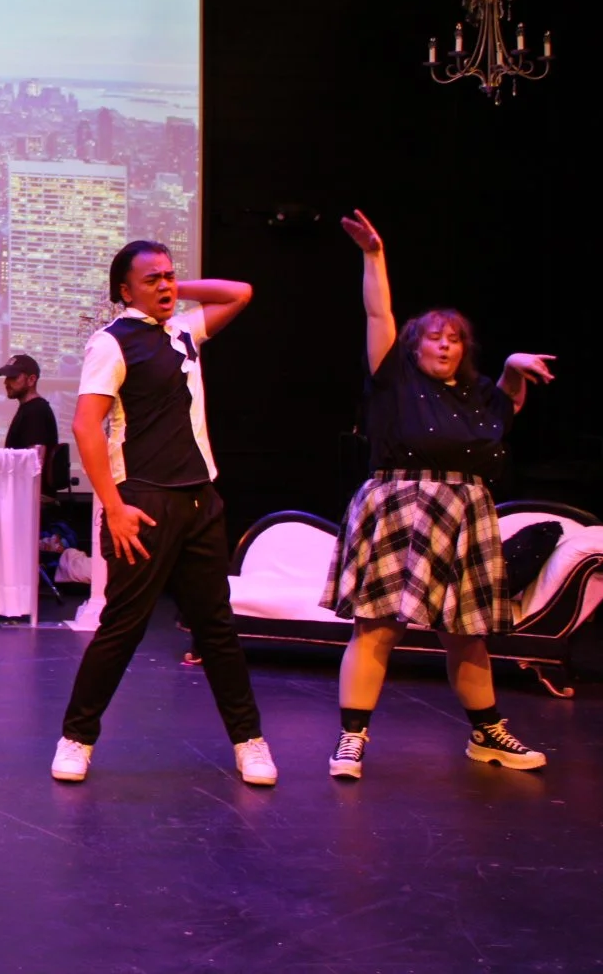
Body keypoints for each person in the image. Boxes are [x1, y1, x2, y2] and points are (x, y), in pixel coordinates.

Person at [321, 210, 555, 779]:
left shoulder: (480, 398)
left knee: (467, 635)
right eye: (434, 336)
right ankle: (352, 739)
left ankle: (488, 735)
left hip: (465, 513)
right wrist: (374, 256)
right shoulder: (393, 382)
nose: (445, 345)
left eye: (455, 339)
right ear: (414, 344)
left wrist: (512, 369)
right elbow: (378, 310)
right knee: (377, 626)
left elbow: (507, 408)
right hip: (400, 505)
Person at [51, 243, 276, 786]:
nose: (167, 286)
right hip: (144, 502)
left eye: (171, 277)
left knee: (216, 630)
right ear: (124, 291)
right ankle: (76, 739)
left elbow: (240, 294)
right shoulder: (111, 342)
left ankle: (249, 741)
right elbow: (86, 426)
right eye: (151, 280)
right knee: (121, 628)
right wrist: (115, 507)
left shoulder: (183, 331)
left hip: (201, 501)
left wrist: (176, 290)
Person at [0, 353, 59, 495]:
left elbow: (35, 461)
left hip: (30, 500)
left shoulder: (36, 411)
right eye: (7, 377)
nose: (6, 382)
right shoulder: (29, 409)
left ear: (31, 380)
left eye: (13, 377)